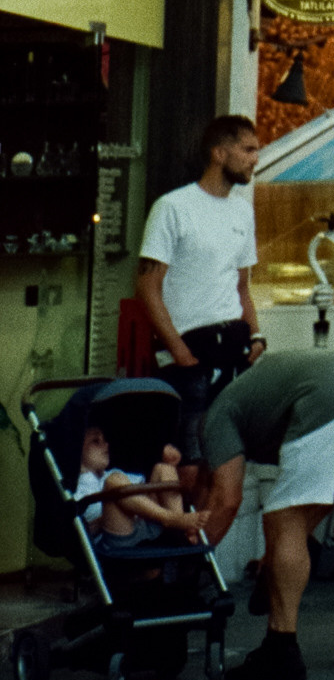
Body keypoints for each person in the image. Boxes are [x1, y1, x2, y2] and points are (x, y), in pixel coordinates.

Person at [194, 350, 334, 680]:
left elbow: (225, 500)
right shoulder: (259, 393)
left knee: (283, 518)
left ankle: (280, 649)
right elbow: (322, 494)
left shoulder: (215, 418)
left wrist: (190, 564)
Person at [135, 114, 261, 455]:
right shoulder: (173, 207)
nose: (255, 159)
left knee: (226, 457)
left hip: (233, 344)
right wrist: (178, 351)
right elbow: (148, 286)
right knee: (186, 460)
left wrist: (256, 335)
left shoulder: (242, 212)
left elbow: (242, 286)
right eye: (247, 149)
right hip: (190, 348)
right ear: (219, 153)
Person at [75, 425, 201, 549]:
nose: (106, 445)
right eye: (96, 441)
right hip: (118, 535)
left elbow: (143, 490)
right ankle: (171, 518)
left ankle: (180, 529)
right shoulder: (77, 488)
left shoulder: (114, 472)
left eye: (105, 440)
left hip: (144, 525)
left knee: (163, 469)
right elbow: (83, 531)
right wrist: (125, 508)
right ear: (77, 450)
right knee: (113, 482)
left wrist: (170, 467)